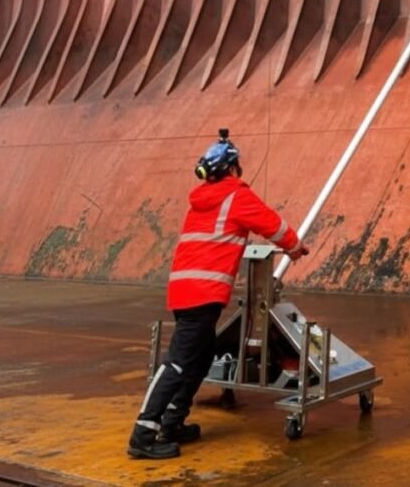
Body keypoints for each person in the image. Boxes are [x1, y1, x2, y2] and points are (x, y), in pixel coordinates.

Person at [127, 129, 309, 460]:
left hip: (187, 292)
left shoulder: (201, 202)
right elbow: (272, 224)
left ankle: (172, 422)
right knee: (179, 364)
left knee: (199, 358)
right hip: (203, 293)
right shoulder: (235, 196)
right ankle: (144, 432)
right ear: (232, 168)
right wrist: (294, 247)